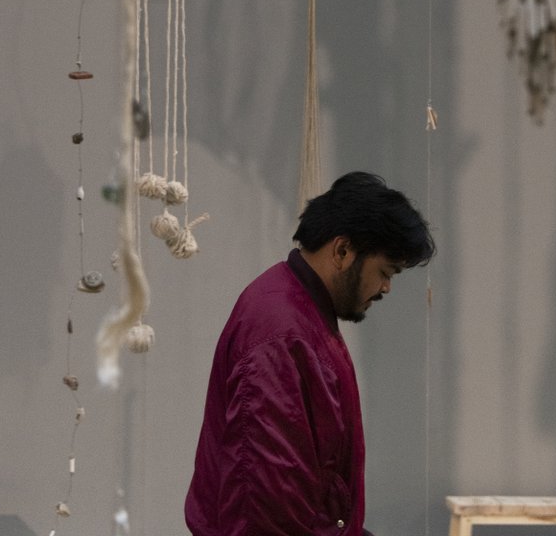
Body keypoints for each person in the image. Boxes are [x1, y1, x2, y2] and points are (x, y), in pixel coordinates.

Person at [185, 171, 435, 536]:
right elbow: (267, 507)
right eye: (386, 271)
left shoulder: (301, 313)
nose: (386, 287)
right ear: (343, 251)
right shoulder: (281, 332)